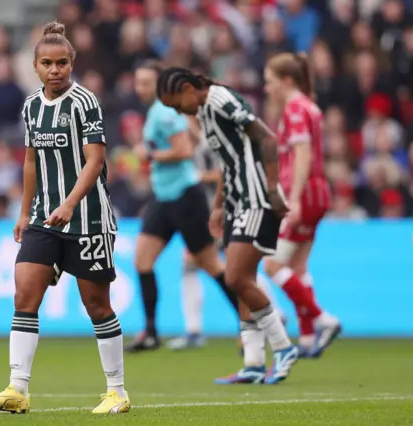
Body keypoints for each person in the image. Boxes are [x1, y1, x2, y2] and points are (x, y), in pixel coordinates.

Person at [0, 21, 130, 414]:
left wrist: (69, 204)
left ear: (72, 62)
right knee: (24, 296)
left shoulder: (85, 103)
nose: (55, 70)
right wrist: (26, 210)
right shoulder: (30, 106)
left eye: (62, 62)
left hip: (88, 219)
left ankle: (117, 390)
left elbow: (95, 162)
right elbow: (30, 161)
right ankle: (18, 388)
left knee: (97, 305)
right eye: (47, 63)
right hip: (45, 219)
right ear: (35, 66)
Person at [157, 67, 299, 385]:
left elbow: (267, 137)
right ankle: (252, 362)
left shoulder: (221, 100)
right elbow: (227, 161)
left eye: (178, 103)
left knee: (235, 276)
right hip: (236, 202)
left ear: (188, 88)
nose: (180, 111)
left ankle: (283, 346)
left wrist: (273, 188)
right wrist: (219, 205)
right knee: (240, 280)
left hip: (258, 198)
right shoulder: (205, 111)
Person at [126, 60, 239, 353]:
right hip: (163, 198)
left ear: (159, 84)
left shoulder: (165, 112)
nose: (140, 89)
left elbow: (185, 150)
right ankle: (150, 332)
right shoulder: (155, 112)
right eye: (138, 83)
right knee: (142, 261)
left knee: (212, 264)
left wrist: (150, 154)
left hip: (185, 197)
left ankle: (249, 321)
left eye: (146, 83)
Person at [262, 52, 342, 358]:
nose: (267, 88)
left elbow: (302, 153)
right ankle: (308, 339)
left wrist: (293, 198)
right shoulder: (310, 106)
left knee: (272, 265)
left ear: (286, 80)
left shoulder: (295, 107)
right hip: (318, 192)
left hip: (303, 194)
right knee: (298, 267)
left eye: (270, 81)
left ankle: (322, 318)